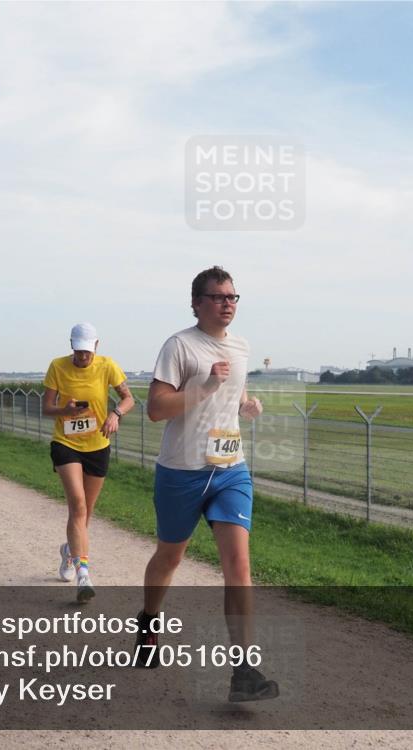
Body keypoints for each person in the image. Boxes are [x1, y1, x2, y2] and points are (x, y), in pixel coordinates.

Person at [133, 266, 277, 703]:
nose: (227, 303)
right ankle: (149, 621)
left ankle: (244, 671)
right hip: (182, 471)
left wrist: (246, 404)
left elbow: (234, 394)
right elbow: (156, 409)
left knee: (239, 566)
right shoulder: (180, 346)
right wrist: (208, 385)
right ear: (197, 303)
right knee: (169, 558)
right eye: (217, 297)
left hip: (230, 468)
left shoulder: (243, 346)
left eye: (233, 297)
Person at [42, 322, 134, 603]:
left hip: (98, 445)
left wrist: (116, 413)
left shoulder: (108, 366)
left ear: (96, 345)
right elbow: (47, 409)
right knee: (78, 505)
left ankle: (69, 552)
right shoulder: (57, 366)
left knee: (86, 513)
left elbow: (128, 397)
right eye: (78, 350)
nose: (83, 356)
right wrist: (64, 410)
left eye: (87, 350)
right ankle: (84, 574)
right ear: (72, 345)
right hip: (66, 443)